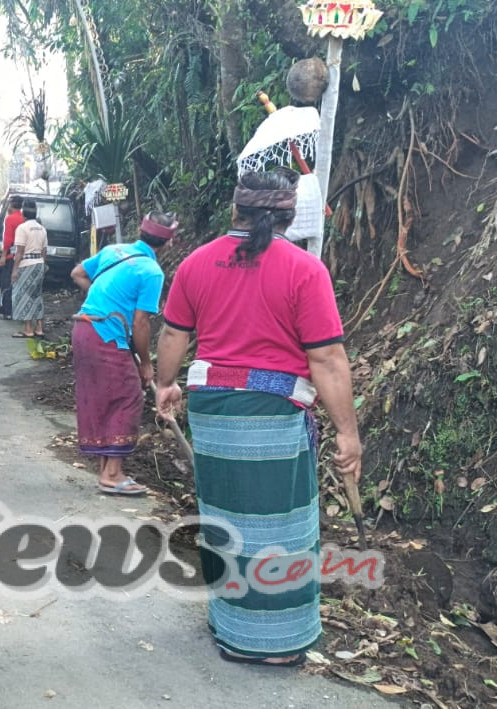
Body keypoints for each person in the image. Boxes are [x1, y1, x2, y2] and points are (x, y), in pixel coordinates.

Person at [153, 168, 361, 668]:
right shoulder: (304, 269)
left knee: (226, 520)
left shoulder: (197, 264)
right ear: (289, 216)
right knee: (279, 527)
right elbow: (327, 359)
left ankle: (231, 626)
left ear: (235, 210)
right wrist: (347, 432)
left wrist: (165, 385)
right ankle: (274, 644)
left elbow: (174, 335)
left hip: (213, 412)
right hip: (271, 414)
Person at [69, 212, 175, 495]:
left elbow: (78, 273)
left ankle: (106, 469)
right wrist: (145, 364)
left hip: (83, 329)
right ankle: (113, 474)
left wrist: (101, 300)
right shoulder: (151, 272)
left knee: (105, 398)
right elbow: (141, 323)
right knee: (128, 397)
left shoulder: (113, 250)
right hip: (105, 335)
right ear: (168, 242)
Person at [9, 203, 48, 338]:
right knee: (37, 295)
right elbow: (44, 251)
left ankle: (28, 329)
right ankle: (39, 328)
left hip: (26, 264)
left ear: (23, 214)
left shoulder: (22, 228)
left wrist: (14, 270)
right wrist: (43, 266)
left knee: (23, 295)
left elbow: (19, 252)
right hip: (39, 264)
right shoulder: (42, 229)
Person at [0, 196, 27, 320]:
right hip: (23, 256)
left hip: (11, 256)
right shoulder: (24, 219)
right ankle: (17, 310)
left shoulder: (10, 219)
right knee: (19, 284)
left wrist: (3, 256)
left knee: (7, 284)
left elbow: (8, 240)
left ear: (11, 205)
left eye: (8, 204)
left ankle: (7, 311)